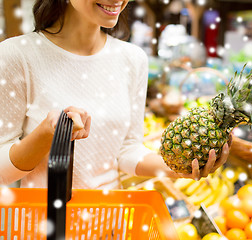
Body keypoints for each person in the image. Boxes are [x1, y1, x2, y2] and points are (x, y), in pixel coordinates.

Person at [0, 0, 230, 189]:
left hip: (108, 221)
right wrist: (45, 135)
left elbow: (128, 149)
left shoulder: (133, 59)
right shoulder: (16, 56)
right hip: (43, 223)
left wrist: (178, 169)